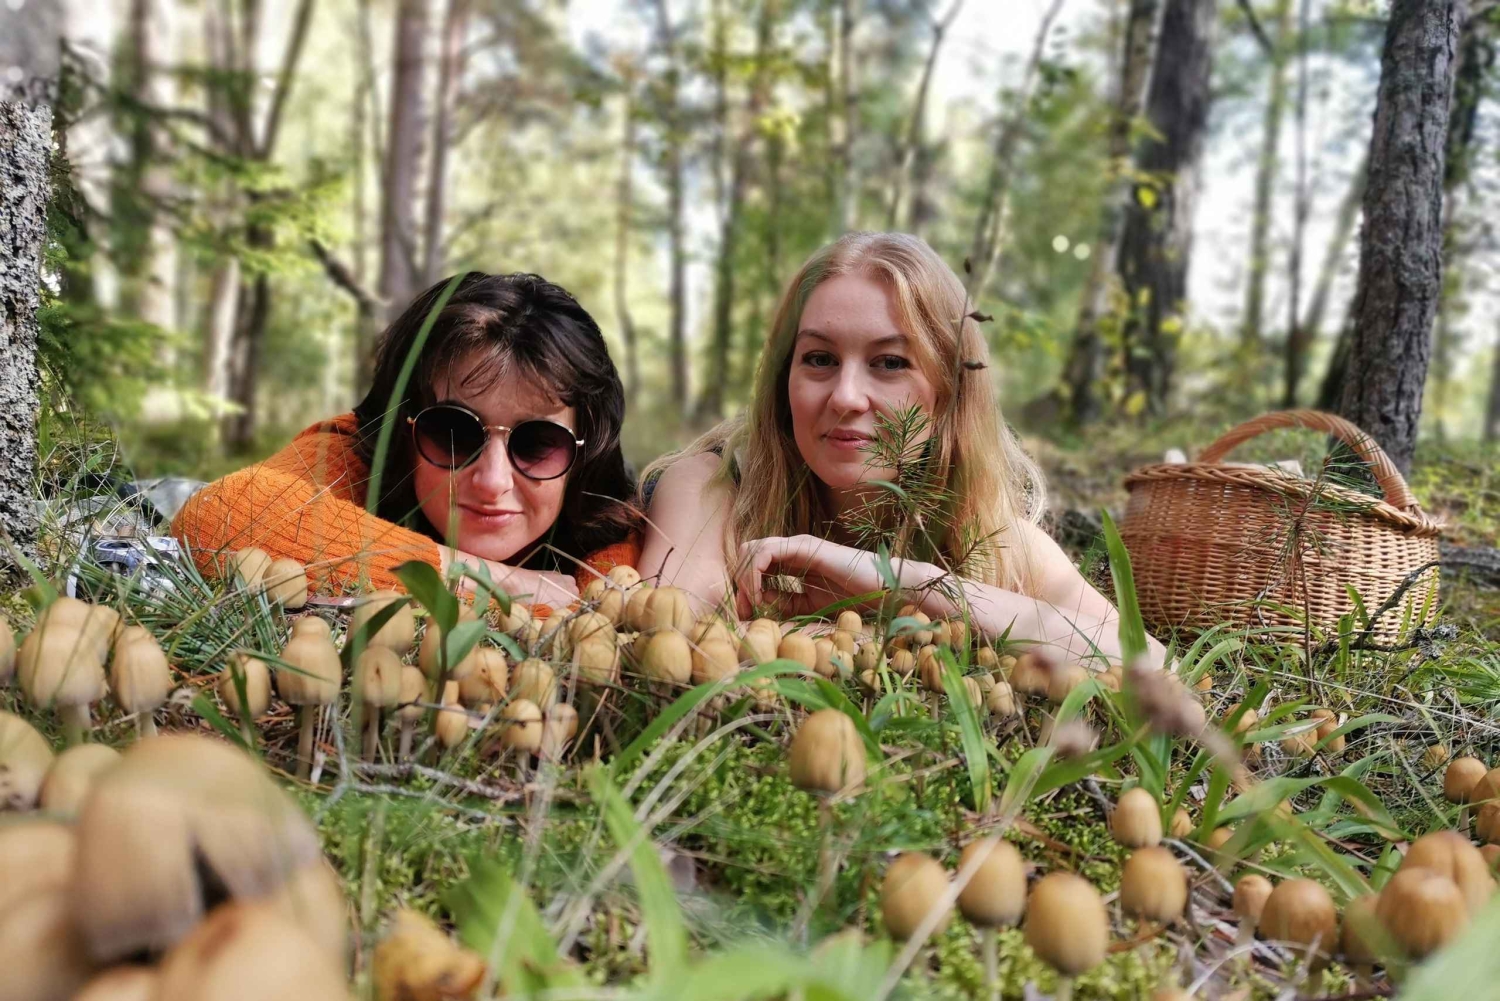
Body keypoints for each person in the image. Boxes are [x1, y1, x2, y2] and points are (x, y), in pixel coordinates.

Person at [638, 232, 1166, 668]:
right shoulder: (712, 486)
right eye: (819, 359)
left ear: (949, 395)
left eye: (890, 363)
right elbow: (670, 632)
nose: (846, 397)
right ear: (784, 380)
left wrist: (904, 581)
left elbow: (1149, 662)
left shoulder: (995, 538)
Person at [173, 272, 639, 609]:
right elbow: (220, 516)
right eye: (453, 432)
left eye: (537, 443)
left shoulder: (610, 527)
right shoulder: (354, 449)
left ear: (587, 448)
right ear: (403, 425)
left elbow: (599, 618)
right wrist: (500, 582)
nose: (492, 481)